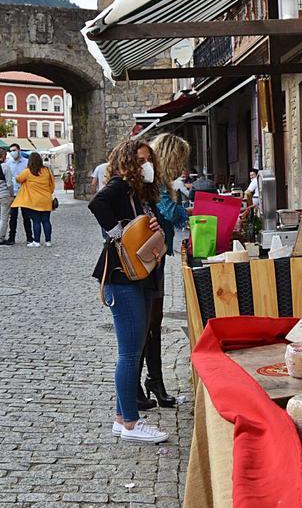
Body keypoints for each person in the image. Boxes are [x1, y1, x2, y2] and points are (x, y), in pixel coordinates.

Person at [88, 139, 168, 444]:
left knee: (133, 352)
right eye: (142, 160)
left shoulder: (138, 192)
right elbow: (98, 204)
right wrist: (117, 233)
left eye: (149, 159)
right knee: (130, 353)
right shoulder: (121, 184)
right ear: (128, 162)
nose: (147, 165)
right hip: (122, 278)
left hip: (138, 277)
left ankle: (123, 419)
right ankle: (132, 424)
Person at [140, 134, 191, 409]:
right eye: (180, 160)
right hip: (149, 258)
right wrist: (190, 213)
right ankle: (146, 384)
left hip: (156, 257)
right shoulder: (156, 183)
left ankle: (154, 381)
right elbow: (168, 213)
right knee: (148, 322)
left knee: (153, 322)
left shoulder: (158, 181)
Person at [12, 152, 56, 247]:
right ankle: (48, 241)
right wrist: (49, 192)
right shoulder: (46, 170)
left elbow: (18, 179)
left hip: (33, 200)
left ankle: (36, 241)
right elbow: (52, 185)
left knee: (36, 221)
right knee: (46, 221)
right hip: (46, 199)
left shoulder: (28, 171)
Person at [4, 143, 32, 244]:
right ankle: (12, 237)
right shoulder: (8, 163)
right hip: (13, 193)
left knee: (26, 216)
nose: (13, 152)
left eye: (14, 150)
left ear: (19, 150)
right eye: (11, 150)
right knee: (13, 217)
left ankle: (29, 237)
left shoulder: (26, 163)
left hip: (24, 192)